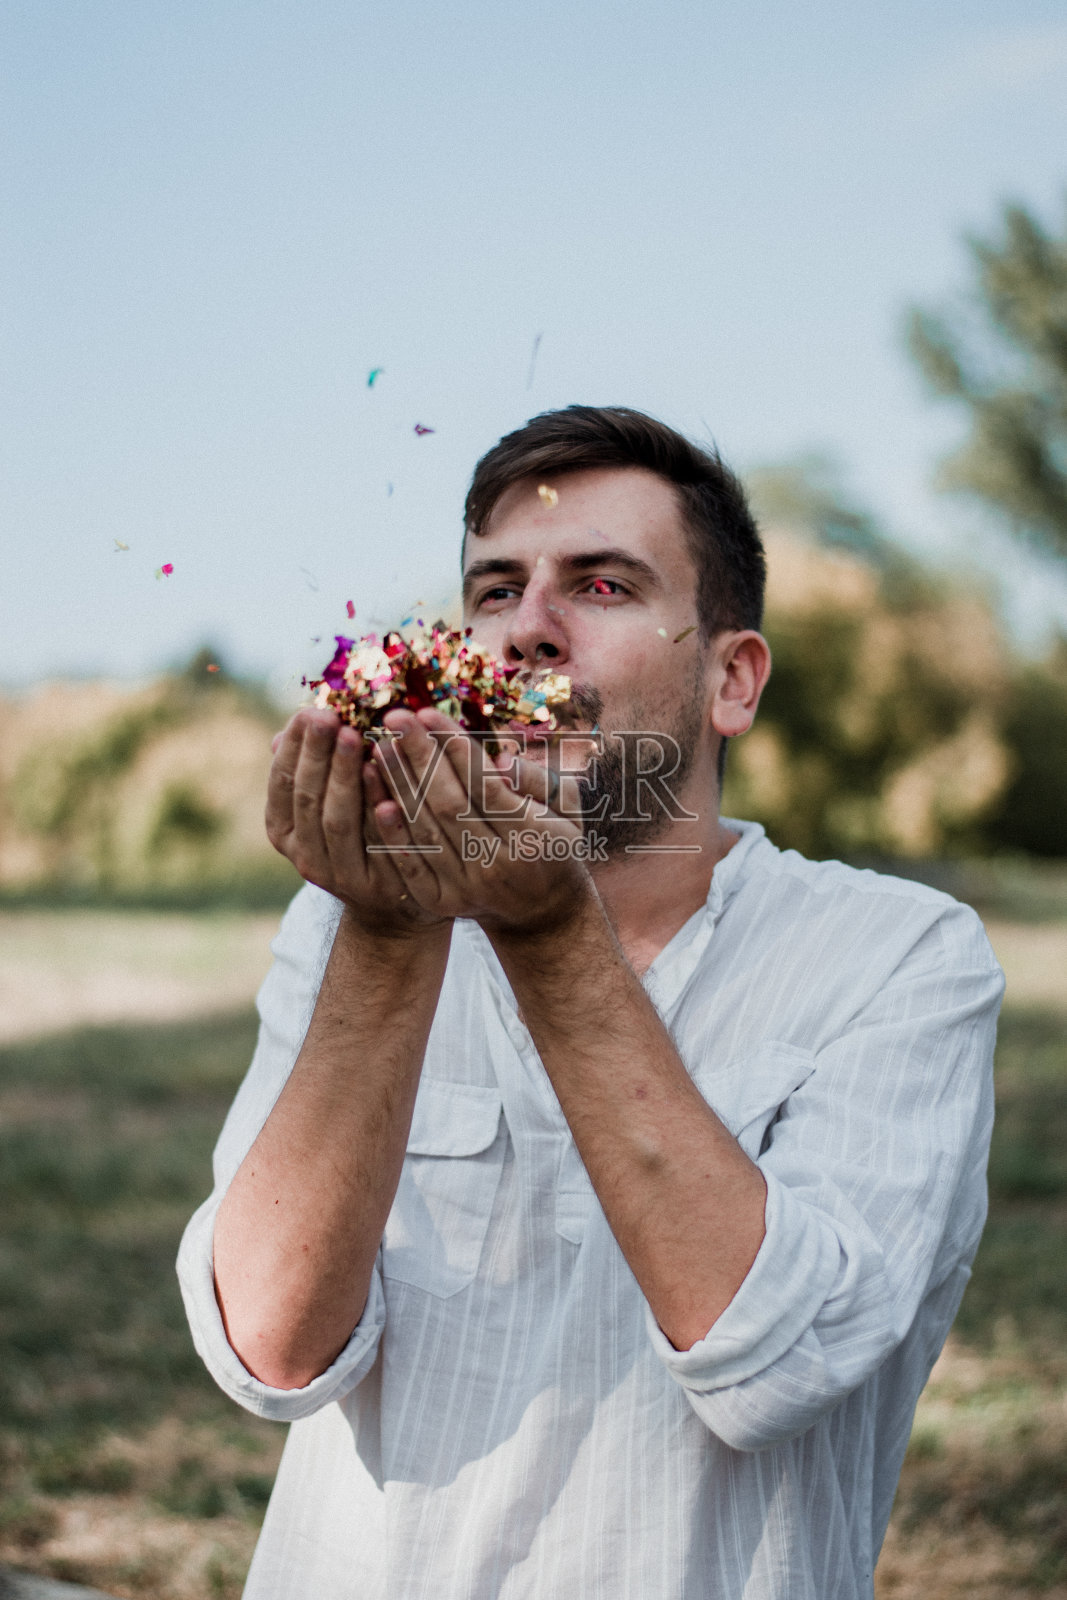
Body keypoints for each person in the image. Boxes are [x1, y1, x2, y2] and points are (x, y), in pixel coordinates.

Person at [178, 405, 1003, 1600]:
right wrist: (389, 927)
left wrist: (547, 927)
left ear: (731, 678)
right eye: (494, 590)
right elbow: (266, 1352)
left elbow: (772, 1369)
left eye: (603, 586)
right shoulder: (350, 924)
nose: (527, 631)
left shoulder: (899, 954)